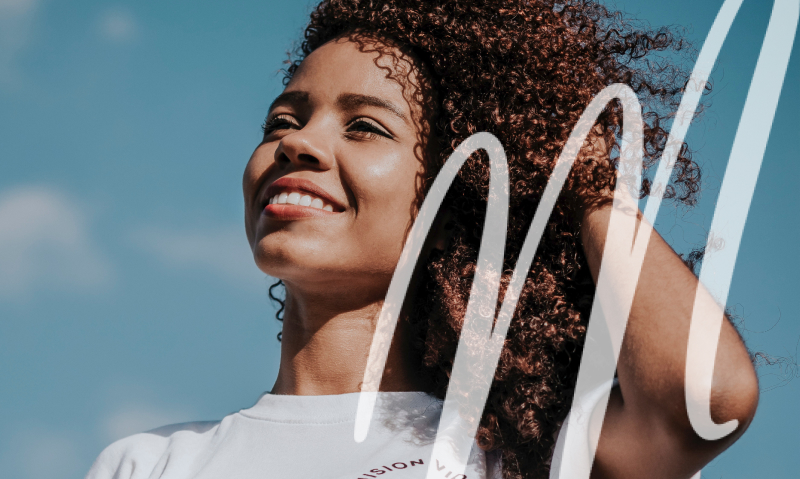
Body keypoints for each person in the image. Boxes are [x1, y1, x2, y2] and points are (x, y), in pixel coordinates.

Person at [85, 1, 759, 478]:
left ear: (453, 200)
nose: (296, 142)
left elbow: (705, 401)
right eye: (283, 119)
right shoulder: (146, 463)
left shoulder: (522, 455)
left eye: (365, 127)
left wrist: (578, 183)